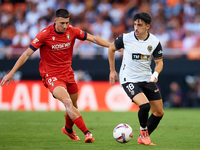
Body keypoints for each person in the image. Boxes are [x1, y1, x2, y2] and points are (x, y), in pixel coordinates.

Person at [0, 8, 111, 143]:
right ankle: (87, 133)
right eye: (62, 23)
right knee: (67, 102)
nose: (65, 26)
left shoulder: (72, 31)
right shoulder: (44, 34)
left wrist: (112, 46)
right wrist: (11, 72)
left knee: (74, 105)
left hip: (68, 74)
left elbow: (93, 38)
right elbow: (26, 54)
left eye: (67, 23)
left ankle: (68, 130)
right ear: (55, 21)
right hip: (52, 76)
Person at [108, 12, 164, 145]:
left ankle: (142, 137)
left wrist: (155, 74)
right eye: (135, 24)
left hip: (147, 78)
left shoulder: (154, 42)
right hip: (129, 79)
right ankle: (144, 135)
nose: (136, 28)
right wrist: (112, 70)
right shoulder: (126, 38)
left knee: (158, 112)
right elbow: (111, 49)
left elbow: (159, 62)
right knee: (144, 106)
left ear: (148, 26)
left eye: (140, 25)